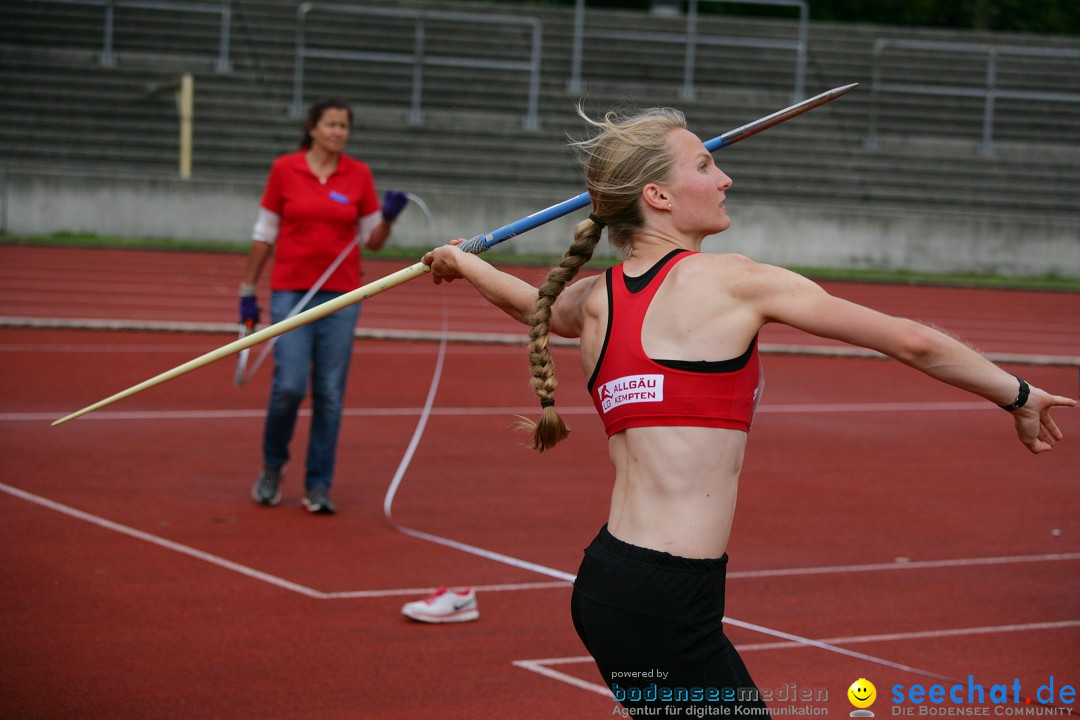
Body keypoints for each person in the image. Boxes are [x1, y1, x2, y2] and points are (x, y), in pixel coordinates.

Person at [421, 105, 1075, 714]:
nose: (725, 177)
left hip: (609, 585)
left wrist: (461, 261)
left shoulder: (596, 298)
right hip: (666, 600)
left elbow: (532, 304)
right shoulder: (733, 281)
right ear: (658, 197)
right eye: (705, 166)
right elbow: (913, 340)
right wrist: (1017, 394)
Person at [240, 97, 408, 515]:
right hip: (291, 292)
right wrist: (247, 289)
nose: (338, 132)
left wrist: (387, 218)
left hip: (343, 295)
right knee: (289, 386)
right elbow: (264, 234)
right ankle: (273, 466)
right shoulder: (285, 169)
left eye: (344, 126)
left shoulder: (358, 174)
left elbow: (372, 240)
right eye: (331, 124)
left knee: (330, 393)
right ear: (312, 128)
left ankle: (318, 484)